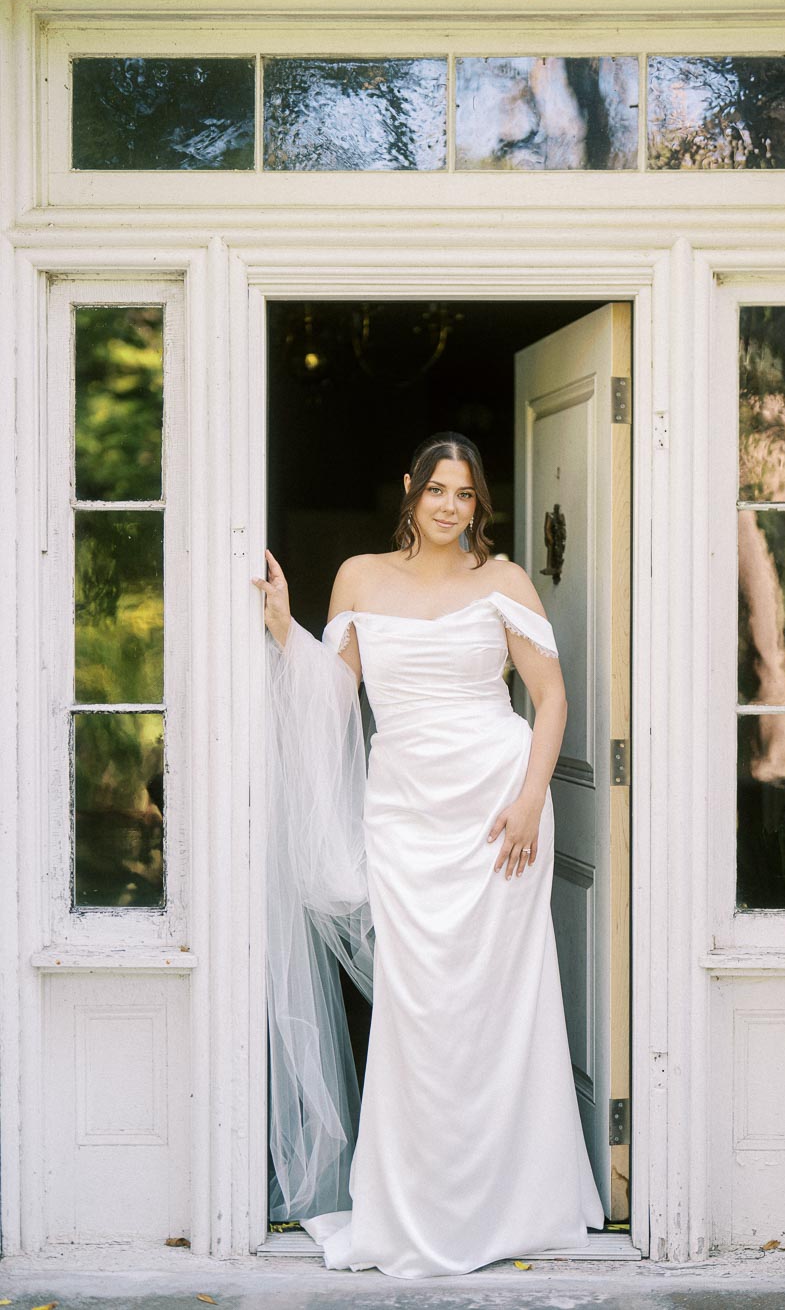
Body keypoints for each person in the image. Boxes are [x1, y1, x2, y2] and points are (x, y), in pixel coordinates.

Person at [252, 431, 605, 1279]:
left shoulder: (504, 581)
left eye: (466, 495)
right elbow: (332, 702)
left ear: (480, 504)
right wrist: (283, 634)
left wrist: (529, 800)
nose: (450, 506)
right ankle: (411, 1206)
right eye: (437, 489)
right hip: (404, 818)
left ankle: (517, 1200)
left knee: (500, 1009)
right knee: (419, 1012)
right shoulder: (359, 577)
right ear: (409, 488)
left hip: (498, 815)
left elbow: (551, 697)